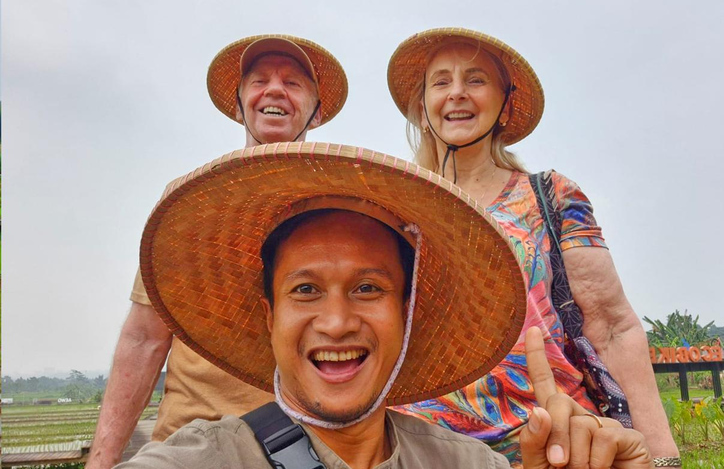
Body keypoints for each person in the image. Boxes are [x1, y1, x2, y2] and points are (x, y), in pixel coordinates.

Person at [116, 143, 653, 469]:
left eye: (369, 288)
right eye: (304, 290)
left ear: (408, 311)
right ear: (268, 316)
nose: (336, 322)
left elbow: (616, 325)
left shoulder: (463, 461)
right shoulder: (202, 459)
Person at [386, 27, 680, 467]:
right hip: (420, 448)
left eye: (476, 79)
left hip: (552, 441)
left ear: (505, 103)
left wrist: (662, 457)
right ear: (424, 107)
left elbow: (613, 326)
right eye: (441, 81)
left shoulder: (553, 197)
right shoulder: (393, 207)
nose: (458, 93)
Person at [86, 35, 348, 469]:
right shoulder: (189, 203)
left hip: (310, 448)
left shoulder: (341, 209)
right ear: (239, 103)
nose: (275, 90)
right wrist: (101, 461)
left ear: (317, 113)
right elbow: (144, 337)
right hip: (191, 441)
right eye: (259, 80)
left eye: (294, 83)